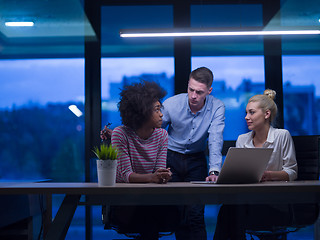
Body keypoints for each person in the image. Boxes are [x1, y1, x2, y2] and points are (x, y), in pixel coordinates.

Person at [213, 89, 298, 240]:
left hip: (275, 203)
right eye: (246, 113)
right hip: (248, 202)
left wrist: (269, 176)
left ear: (266, 114)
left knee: (230, 211)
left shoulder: (281, 136)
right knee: (229, 209)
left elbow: (291, 172)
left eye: (251, 113)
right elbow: (237, 173)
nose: (247, 117)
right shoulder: (242, 139)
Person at [106, 80, 179, 240]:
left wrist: (162, 175)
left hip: (150, 196)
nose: (162, 115)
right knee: (148, 220)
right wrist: (153, 177)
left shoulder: (162, 135)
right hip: (126, 199)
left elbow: (158, 171)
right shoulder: (120, 134)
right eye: (157, 110)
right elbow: (126, 175)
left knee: (163, 214)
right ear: (143, 112)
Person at [161, 67, 225, 240]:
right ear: (187, 85)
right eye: (191, 89)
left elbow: (215, 138)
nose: (193, 96)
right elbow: (154, 133)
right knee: (178, 214)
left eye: (199, 92)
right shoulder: (171, 104)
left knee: (196, 215)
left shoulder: (217, 106)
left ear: (209, 91)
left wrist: (214, 170)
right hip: (171, 157)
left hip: (196, 160)